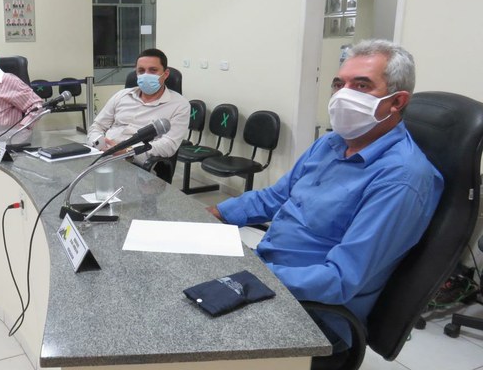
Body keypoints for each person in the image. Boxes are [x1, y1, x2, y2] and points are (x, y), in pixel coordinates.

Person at [206, 39, 443, 349]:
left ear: (396, 102)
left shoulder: (401, 178)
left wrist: (250, 274)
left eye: (361, 85)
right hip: (269, 273)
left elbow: (340, 280)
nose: (343, 95)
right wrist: (216, 214)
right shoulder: (331, 143)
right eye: (339, 84)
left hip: (316, 314)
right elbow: (276, 197)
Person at [87, 48, 189, 166]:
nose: (146, 75)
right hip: (102, 155)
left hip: (136, 163)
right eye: (141, 71)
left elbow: (168, 145)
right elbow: (98, 126)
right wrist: (98, 143)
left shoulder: (179, 105)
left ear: (165, 74)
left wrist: (127, 152)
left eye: (153, 70)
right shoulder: (122, 95)